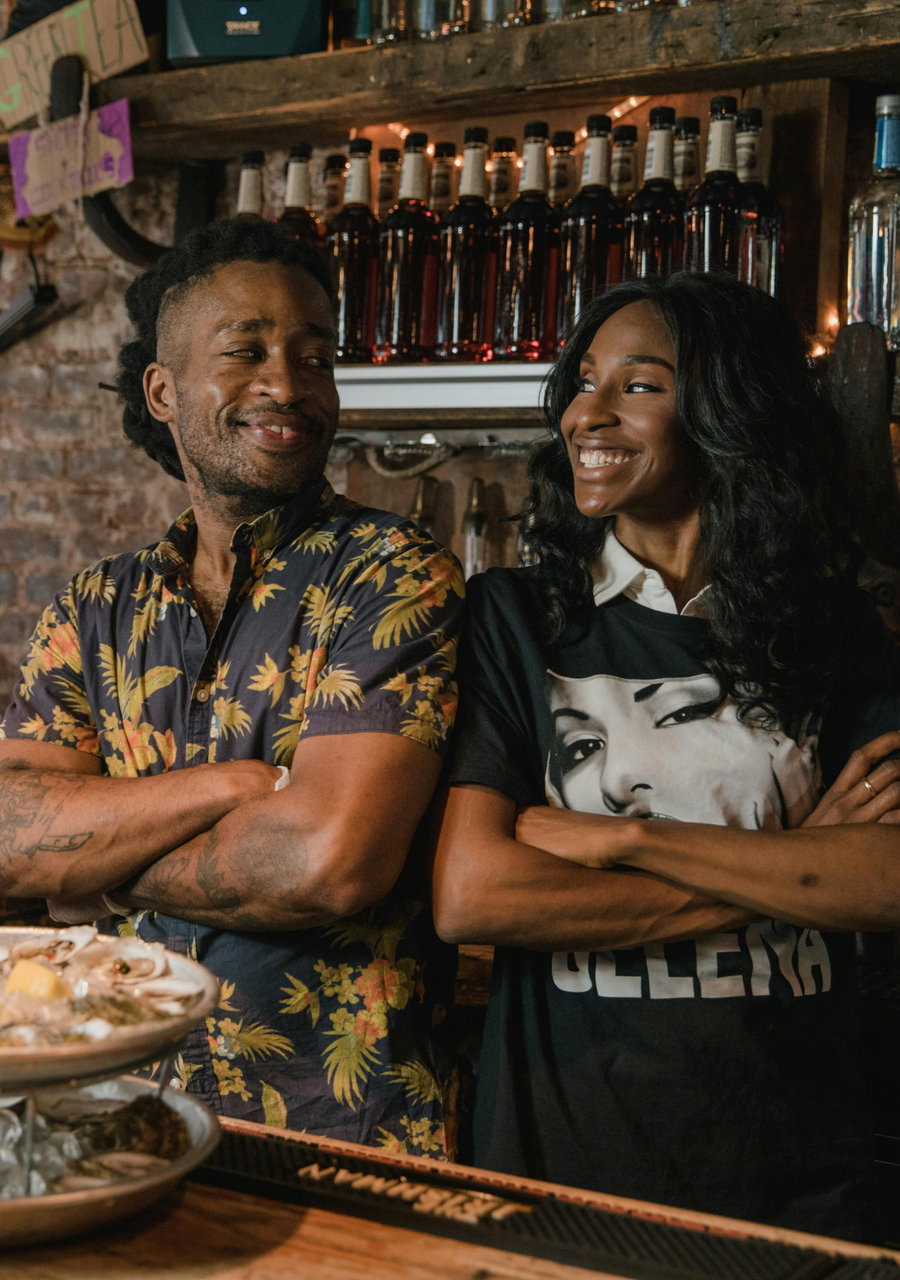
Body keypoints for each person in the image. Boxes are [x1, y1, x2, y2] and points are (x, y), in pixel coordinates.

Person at [432, 272, 900, 1240]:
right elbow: (476, 893)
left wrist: (619, 841)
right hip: (567, 1163)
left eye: (636, 385)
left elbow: (888, 878)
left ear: (728, 410)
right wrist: (795, 859)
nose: (584, 413)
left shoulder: (834, 628)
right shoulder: (518, 618)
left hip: (801, 1170)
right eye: (581, 381)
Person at [0, 218, 465, 1154]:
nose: (287, 386)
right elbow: (11, 844)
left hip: (341, 1130)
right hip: (112, 1116)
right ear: (164, 391)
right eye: (246, 352)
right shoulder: (93, 610)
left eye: (314, 357)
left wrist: (91, 869)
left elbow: (329, 861)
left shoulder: (391, 574)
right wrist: (231, 787)